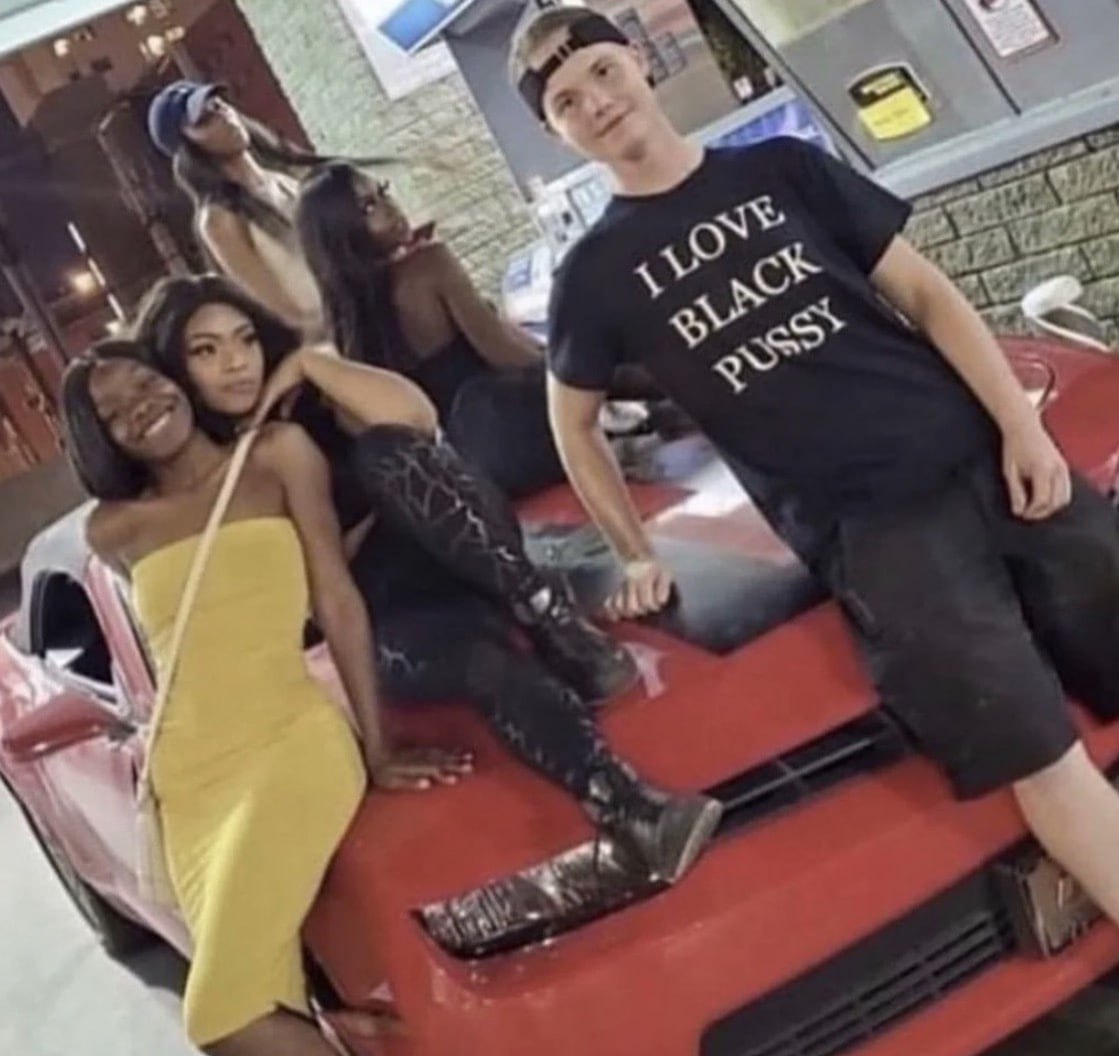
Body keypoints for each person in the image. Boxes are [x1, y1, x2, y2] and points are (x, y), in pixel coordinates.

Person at [509, 8, 1119, 931]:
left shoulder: (782, 169)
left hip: (986, 458)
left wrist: (1017, 426)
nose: (593, 101)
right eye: (564, 101)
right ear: (556, 133)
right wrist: (632, 552)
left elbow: (925, 294)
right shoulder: (594, 274)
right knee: (1037, 755)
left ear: (638, 62)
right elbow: (573, 424)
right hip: (876, 538)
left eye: (600, 70)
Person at [135, 273, 723, 885]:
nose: (236, 362)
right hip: (394, 611)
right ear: (175, 372)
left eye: (245, 339)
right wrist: (377, 745)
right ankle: (631, 808)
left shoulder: (316, 398)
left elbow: (416, 419)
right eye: (205, 351)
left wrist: (309, 362)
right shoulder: (217, 479)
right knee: (485, 665)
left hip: (473, 553)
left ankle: (548, 618)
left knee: (385, 452)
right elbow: (323, 588)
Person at [61, 339, 472, 1055]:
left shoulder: (277, 455)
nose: (141, 406)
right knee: (270, 996)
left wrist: (378, 748)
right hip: (188, 786)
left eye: (144, 382)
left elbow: (335, 599)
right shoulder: (111, 529)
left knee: (221, 1017)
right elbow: (182, 645)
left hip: (289, 744)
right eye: (113, 411)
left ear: (174, 377)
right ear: (101, 438)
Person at [295, 160, 571, 497]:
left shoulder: (344, 322)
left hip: (461, 475)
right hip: (510, 434)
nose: (390, 207)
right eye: (368, 207)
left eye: (382, 192)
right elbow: (505, 354)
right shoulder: (428, 265)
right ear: (343, 233)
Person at [147, 80, 392, 336]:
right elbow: (276, 309)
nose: (223, 117)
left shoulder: (285, 179)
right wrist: (333, 331)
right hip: (336, 331)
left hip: (366, 305)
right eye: (205, 121)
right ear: (188, 148)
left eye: (219, 106)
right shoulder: (219, 218)